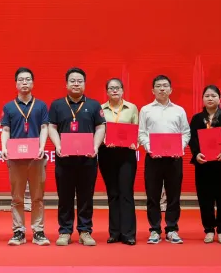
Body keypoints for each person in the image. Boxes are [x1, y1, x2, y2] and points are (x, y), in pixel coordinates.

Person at [48, 68, 106, 246]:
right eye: (72, 81)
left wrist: (95, 146)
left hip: (87, 159)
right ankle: (65, 231)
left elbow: (100, 127)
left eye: (79, 81)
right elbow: (52, 127)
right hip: (64, 159)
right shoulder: (57, 105)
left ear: (84, 84)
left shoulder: (94, 105)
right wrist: (58, 146)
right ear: (66, 84)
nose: (76, 84)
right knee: (64, 196)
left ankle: (85, 231)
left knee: (86, 196)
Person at [138, 75, 191, 244]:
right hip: (153, 158)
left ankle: (172, 229)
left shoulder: (179, 110)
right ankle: (154, 229)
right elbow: (141, 133)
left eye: (165, 86)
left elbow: (186, 132)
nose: (162, 88)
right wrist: (149, 148)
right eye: (158, 86)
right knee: (152, 195)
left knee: (174, 195)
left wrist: (180, 148)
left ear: (171, 89)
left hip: (174, 159)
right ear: (152, 90)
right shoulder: (145, 110)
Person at [1, 67, 50, 246]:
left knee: (37, 197)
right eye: (21, 79)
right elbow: (5, 129)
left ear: (33, 83)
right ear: (16, 84)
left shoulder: (41, 106)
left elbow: (44, 127)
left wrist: (42, 147)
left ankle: (38, 231)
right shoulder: (8, 107)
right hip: (16, 158)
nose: (24, 82)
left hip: (36, 157)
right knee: (17, 197)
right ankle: (18, 232)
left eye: (28, 79)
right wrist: (4, 147)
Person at [188, 85, 221, 244]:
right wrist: (196, 153)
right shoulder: (197, 119)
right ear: (203, 99)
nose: (210, 98)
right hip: (203, 164)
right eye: (207, 96)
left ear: (219, 98)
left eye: (213, 95)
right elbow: (192, 138)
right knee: (205, 199)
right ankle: (209, 229)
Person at [99, 78, 139, 245]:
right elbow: (98, 130)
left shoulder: (132, 108)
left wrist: (135, 142)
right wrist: (103, 141)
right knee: (113, 193)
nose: (114, 90)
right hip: (107, 153)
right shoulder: (100, 109)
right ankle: (114, 232)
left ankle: (128, 233)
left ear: (122, 90)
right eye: (111, 88)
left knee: (126, 193)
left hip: (126, 154)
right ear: (107, 92)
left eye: (117, 88)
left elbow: (137, 129)